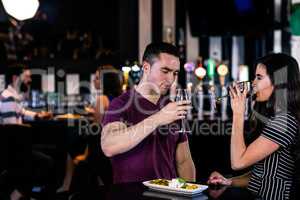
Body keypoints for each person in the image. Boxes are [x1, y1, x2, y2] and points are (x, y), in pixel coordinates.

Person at [208, 53, 300, 200]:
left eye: (259, 77)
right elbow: (262, 174)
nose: (253, 83)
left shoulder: (284, 121)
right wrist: (229, 181)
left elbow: (238, 162)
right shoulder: (275, 117)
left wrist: (238, 113)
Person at [101, 42, 196, 183]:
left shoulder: (171, 107)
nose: (171, 79)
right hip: (131, 194)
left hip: (169, 194)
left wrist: (190, 191)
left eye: (175, 73)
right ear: (146, 67)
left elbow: (183, 160)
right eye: (165, 71)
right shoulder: (121, 104)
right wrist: (158, 118)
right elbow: (109, 146)